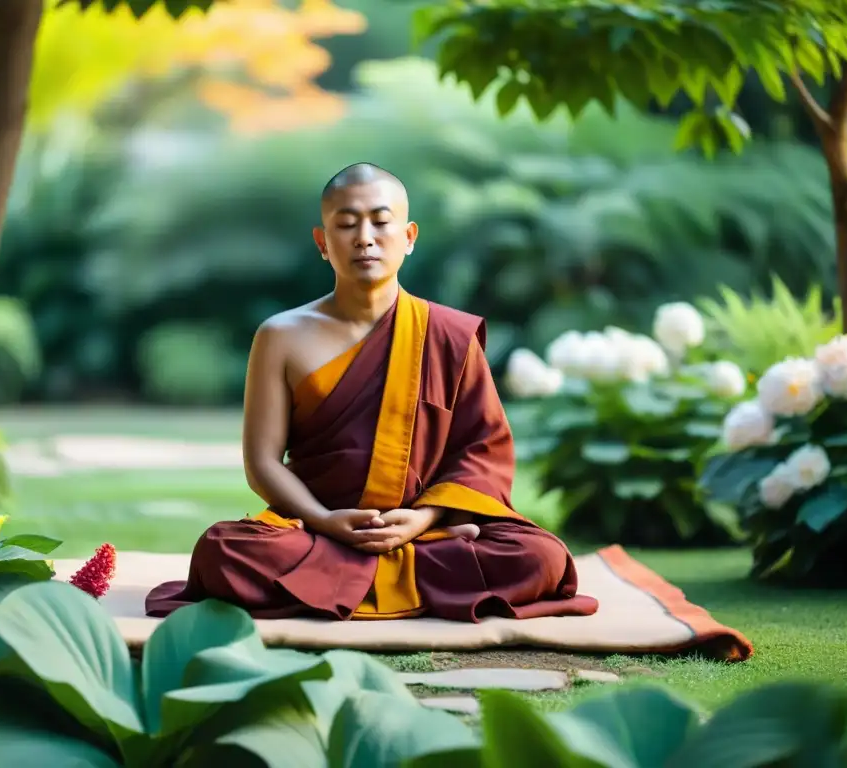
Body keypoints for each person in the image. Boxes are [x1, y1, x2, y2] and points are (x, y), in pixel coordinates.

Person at [145, 163, 598, 622]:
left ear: (409, 236)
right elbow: (262, 462)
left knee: (540, 556)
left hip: (424, 531)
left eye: (381, 222)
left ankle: (338, 585)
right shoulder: (281, 336)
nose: (365, 237)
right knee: (224, 552)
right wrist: (324, 520)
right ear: (323, 243)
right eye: (346, 224)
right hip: (317, 530)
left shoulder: (446, 334)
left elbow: (482, 452)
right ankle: (407, 585)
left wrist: (423, 519)